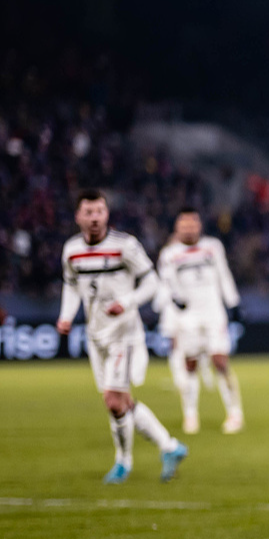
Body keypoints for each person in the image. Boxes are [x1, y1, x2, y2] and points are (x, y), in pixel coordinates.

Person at [56, 189, 190, 484]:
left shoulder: (125, 246)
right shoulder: (71, 250)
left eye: (99, 211)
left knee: (113, 401)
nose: (94, 218)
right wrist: (66, 315)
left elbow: (152, 281)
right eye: (88, 212)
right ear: (78, 216)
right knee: (122, 401)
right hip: (96, 335)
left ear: (107, 214)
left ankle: (123, 463)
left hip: (124, 333)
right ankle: (170, 446)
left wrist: (127, 302)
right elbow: (71, 286)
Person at [156, 207, 246, 435]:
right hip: (188, 318)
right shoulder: (169, 254)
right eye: (184, 224)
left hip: (214, 313)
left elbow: (224, 274)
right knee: (190, 364)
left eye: (192, 223)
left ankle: (235, 413)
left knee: (220, 361)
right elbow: (167, 282)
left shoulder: (212, 247)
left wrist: (233, 302)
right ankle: (190, 415)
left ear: (199, 225)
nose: (188, 228)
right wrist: (176, 300)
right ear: (177, 228)